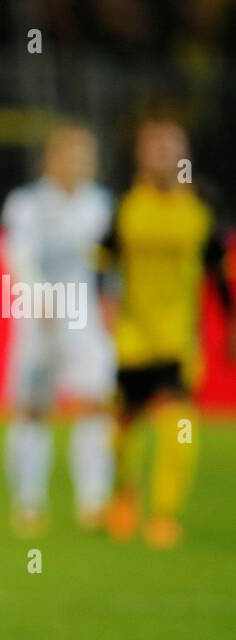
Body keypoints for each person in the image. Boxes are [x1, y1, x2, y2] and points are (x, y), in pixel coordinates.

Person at [101, 119, 236, 548]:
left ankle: (163, 513)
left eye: (169, 147)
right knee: (124, 424)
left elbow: (220, 270)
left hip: (179, 338)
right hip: (132, 336)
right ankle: (125, 492)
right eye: (153, 147)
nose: (161, 155)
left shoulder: (202, 205)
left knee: (178, 419)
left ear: (184, 155)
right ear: (140, 156)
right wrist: (104, 305)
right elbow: (104, 262)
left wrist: (232, 322)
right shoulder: (127, 205)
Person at [0, 123, 116, 534]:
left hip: (84, 318)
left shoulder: (100, 204)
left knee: (94, 404)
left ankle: (93, 501)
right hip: (37, 319)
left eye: (87, 156)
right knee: (32, 410)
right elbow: (16, 254)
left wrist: (113, 303)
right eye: (73, 154)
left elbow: (111, 262)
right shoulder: (27, 203)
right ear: (53, 158)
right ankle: (29, 503)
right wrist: (36, 296)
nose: (82, 163)